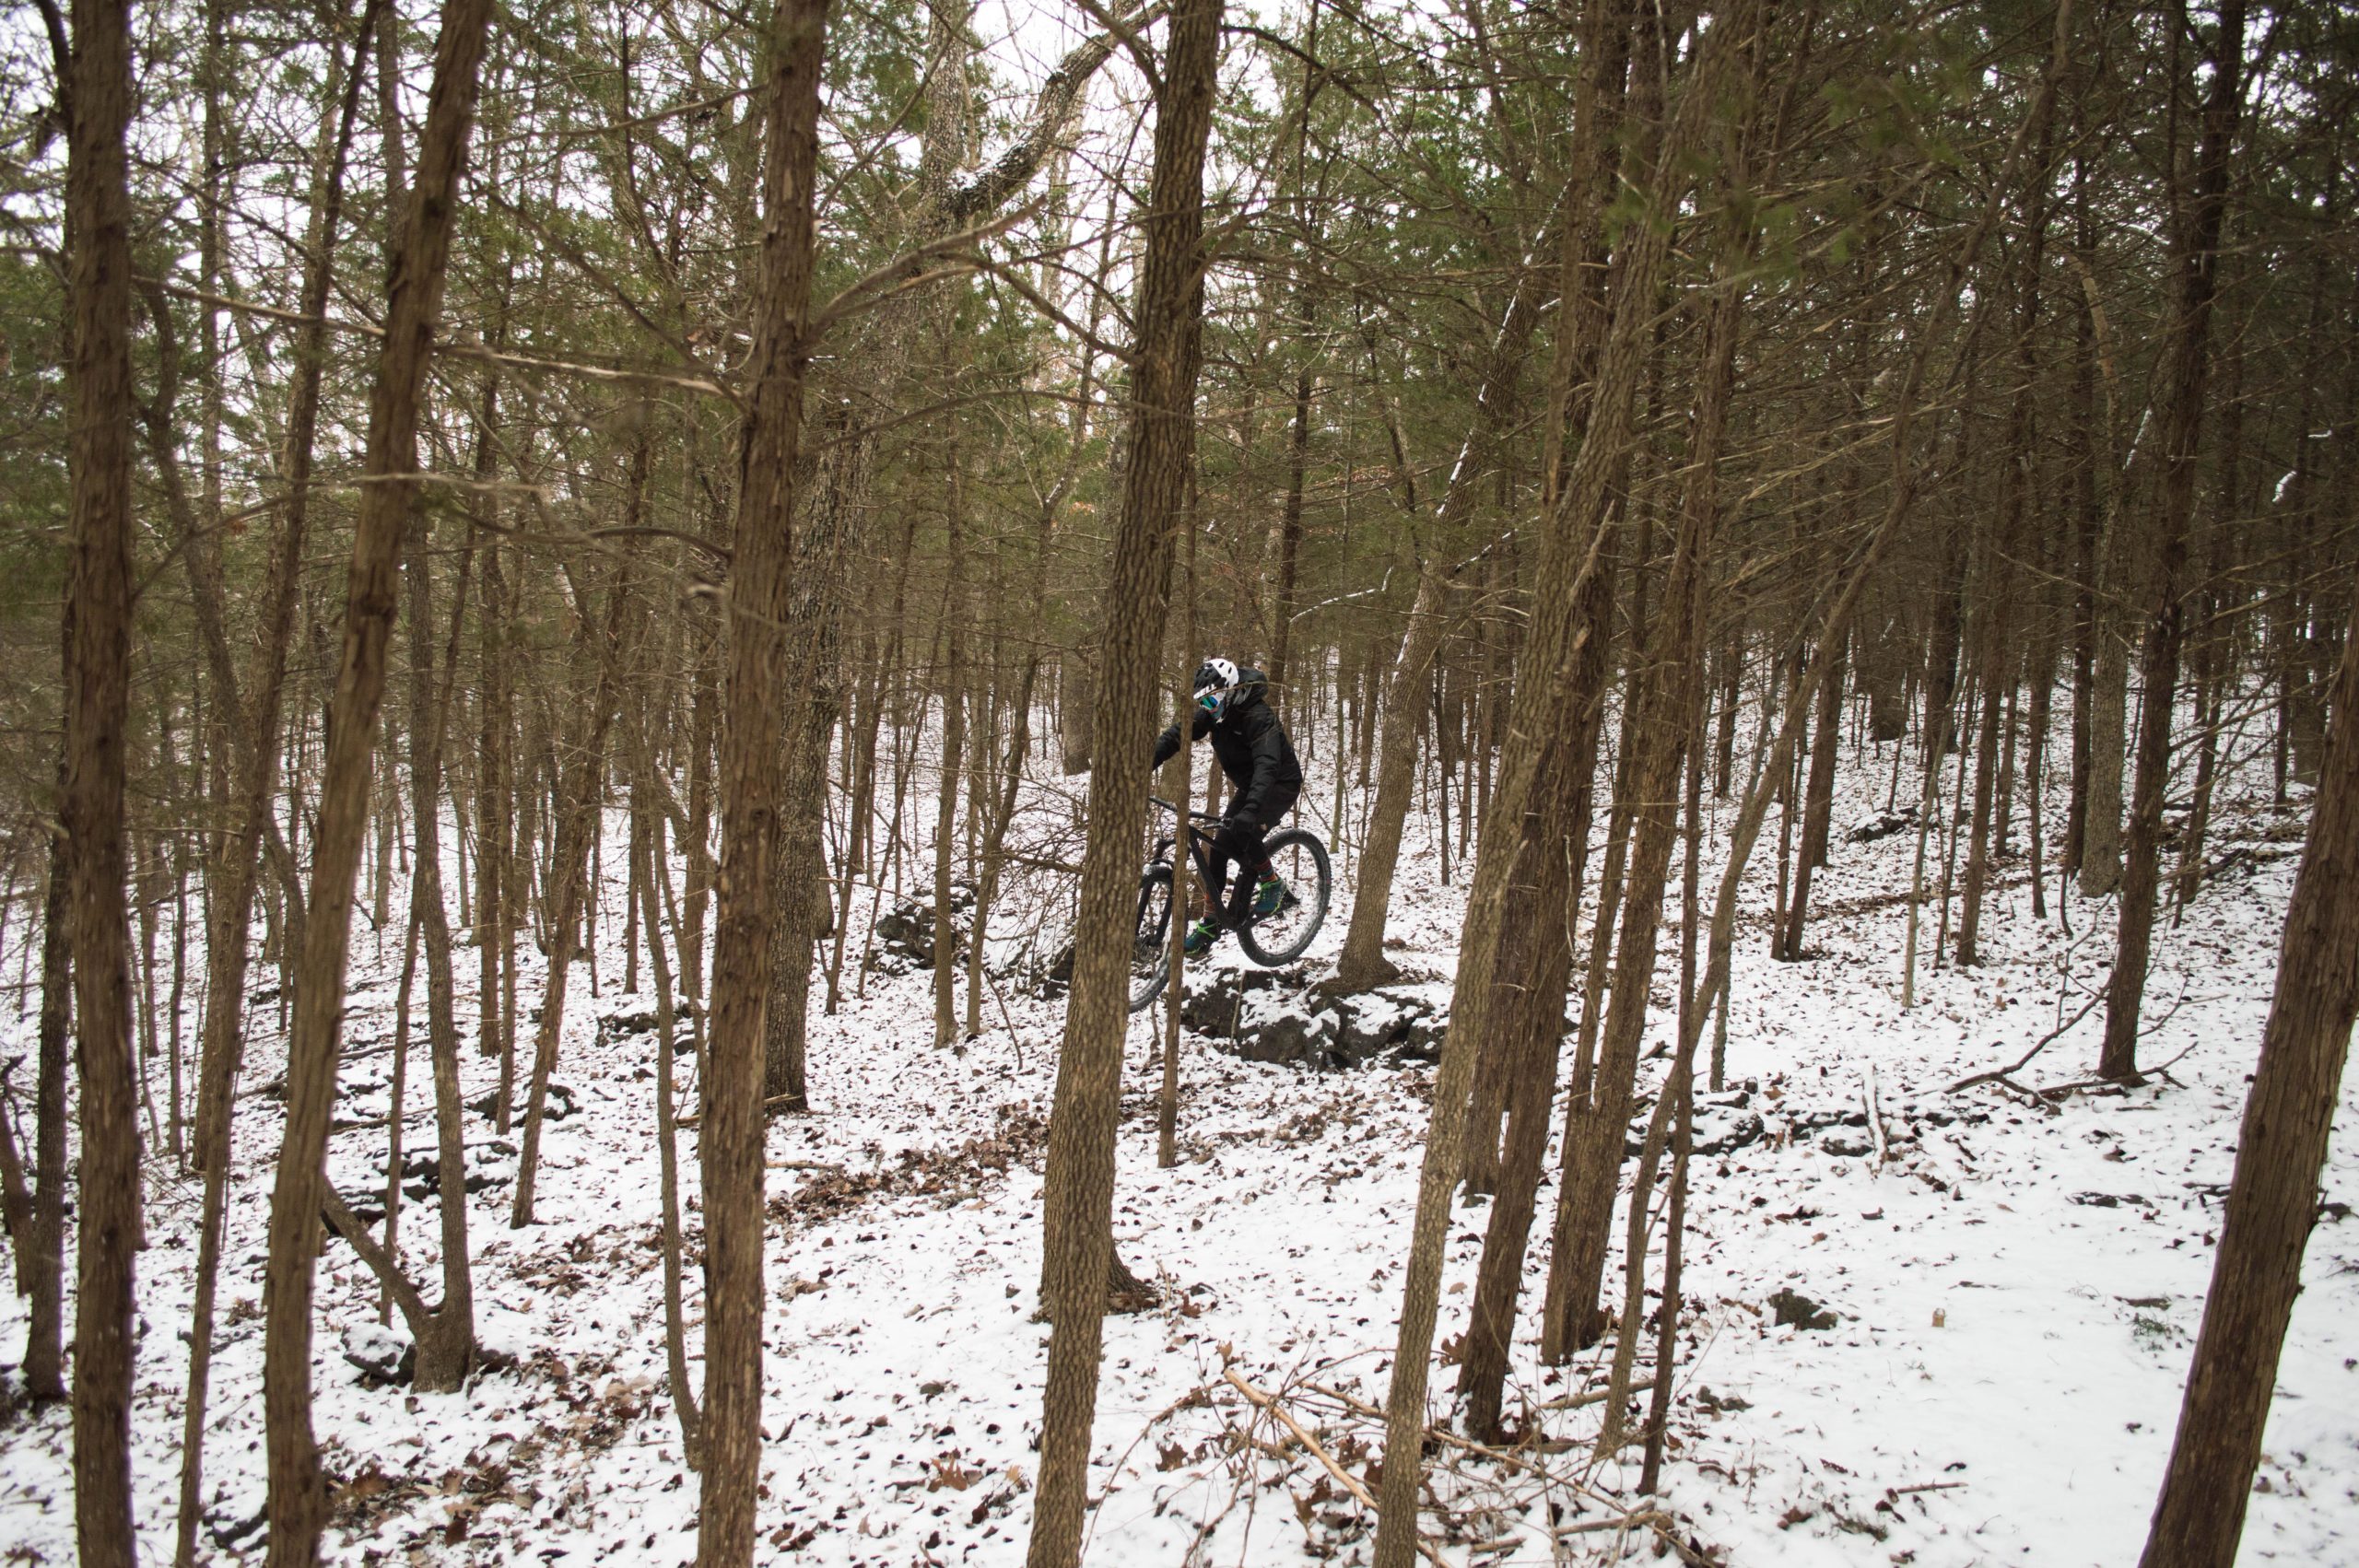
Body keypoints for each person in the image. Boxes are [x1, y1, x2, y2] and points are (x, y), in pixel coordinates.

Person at [1152, 658, 1304, 955]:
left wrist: (1250, 811)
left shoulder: (1258, 716)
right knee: (1219, 850)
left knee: (1245, 831)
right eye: (1202, 701)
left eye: (1211, 699)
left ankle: (1272, 884)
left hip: (1279, 783)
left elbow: (1268, 765)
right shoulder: (1213, 713)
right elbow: (1176, 736)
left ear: (1230, 691)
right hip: (1251, 787)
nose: (1207, 706)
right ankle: (1210, 923)